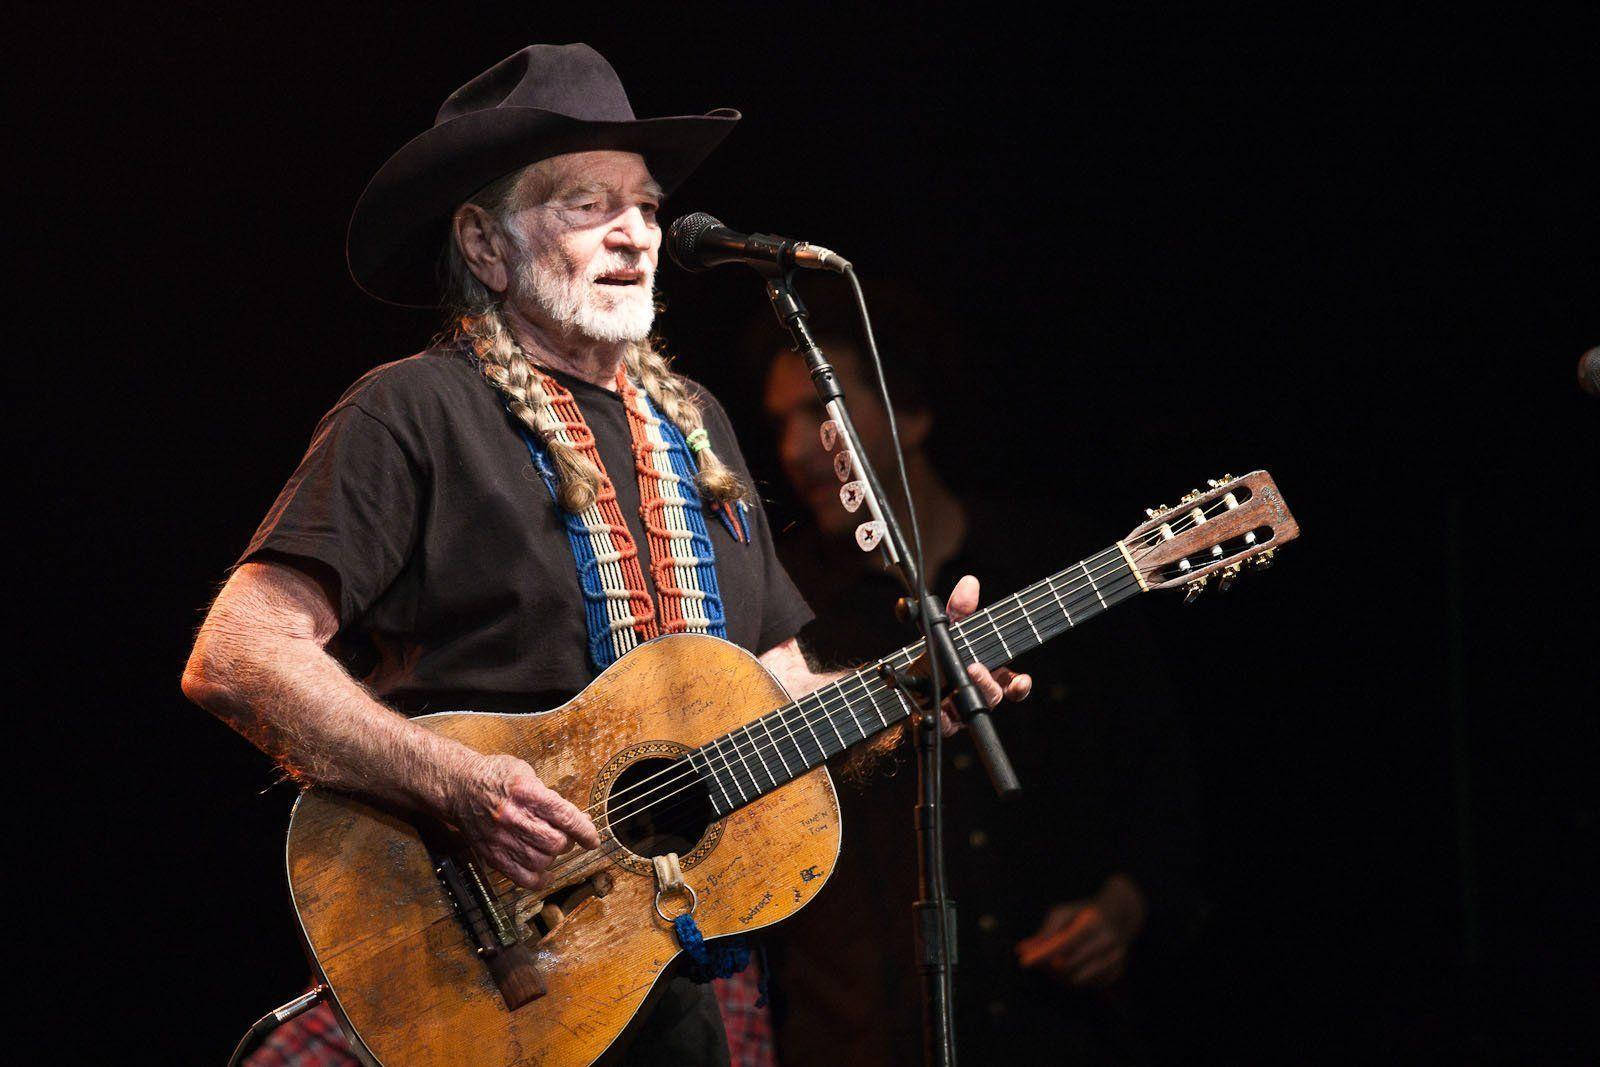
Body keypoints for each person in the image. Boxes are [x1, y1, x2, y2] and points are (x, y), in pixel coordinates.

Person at [180, 45, 1029, 1066]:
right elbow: (238, 653)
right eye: (587, 204)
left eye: (647, 207)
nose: (635, 233)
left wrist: (903, 695)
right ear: (485, 246)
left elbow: (773, 693)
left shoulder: (698, 426)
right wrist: (455, 782)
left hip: (675, 965)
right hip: (486, 950)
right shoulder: (411, 409)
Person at [759, 282, 1202, 1064]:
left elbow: (1160, 774)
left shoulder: (1050, 563)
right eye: (781, 422)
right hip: (859, 1039)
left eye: (819, 413)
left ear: (914, 416)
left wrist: (1125, 906)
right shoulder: (784, 610)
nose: (795, 450)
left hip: (1055, 1028)